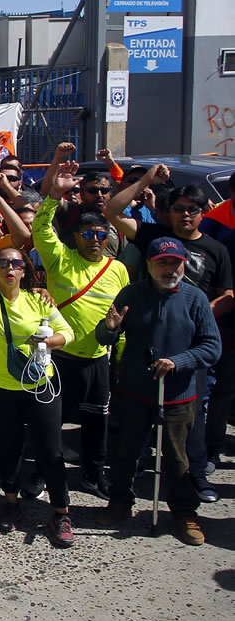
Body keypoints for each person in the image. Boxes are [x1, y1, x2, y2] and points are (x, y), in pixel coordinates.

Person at [104, 166, 233, 502]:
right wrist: (145, 180)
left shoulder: (216, 249)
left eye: (193, 209)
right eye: (179, 208)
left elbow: (227, 293)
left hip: (190, 350)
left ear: (203, 213)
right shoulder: (153, 235)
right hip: (146, 355)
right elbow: (112, 211)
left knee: (192, 424)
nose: (186, 214)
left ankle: (196, 479)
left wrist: (197, 311)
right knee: (134, 428)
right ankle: (130, 484)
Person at [0, 222, 76, 548]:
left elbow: (69, 333)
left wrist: (50, 341)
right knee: (10, 446)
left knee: (50, 451)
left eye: (16, 263)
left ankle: (61, 512)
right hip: (0, 388)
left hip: (40, 387)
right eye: (3, 263)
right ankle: (10, 503)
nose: (9, 268)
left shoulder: (39, 301)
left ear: (26, 271)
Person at [95, 237, 222, 545]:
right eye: (163, 263)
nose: (170, 269)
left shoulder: (195, 299)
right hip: (135, 392)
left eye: (175, 263)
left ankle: (183, 512)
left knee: (179, 458)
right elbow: (104, 339)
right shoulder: (132, 294)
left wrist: (179, 361)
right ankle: (120, 502)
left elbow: (211, 347)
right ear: (150, 265)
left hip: (178, 395)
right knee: (126, 452)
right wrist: (110, 328)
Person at [35, 164, 130, 500]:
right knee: (50, 421)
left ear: (108, 239)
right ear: (76, 237)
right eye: (88, 234)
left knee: (96, 424)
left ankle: (93, 474)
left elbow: (122, 319)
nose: (94, 240)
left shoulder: (118, 269)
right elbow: (41, 228)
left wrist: (117, 356)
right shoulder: (60, 259)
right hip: (59, 357)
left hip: (96, 360)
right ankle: (38, 473)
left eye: (101, 235)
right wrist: (53, 196)